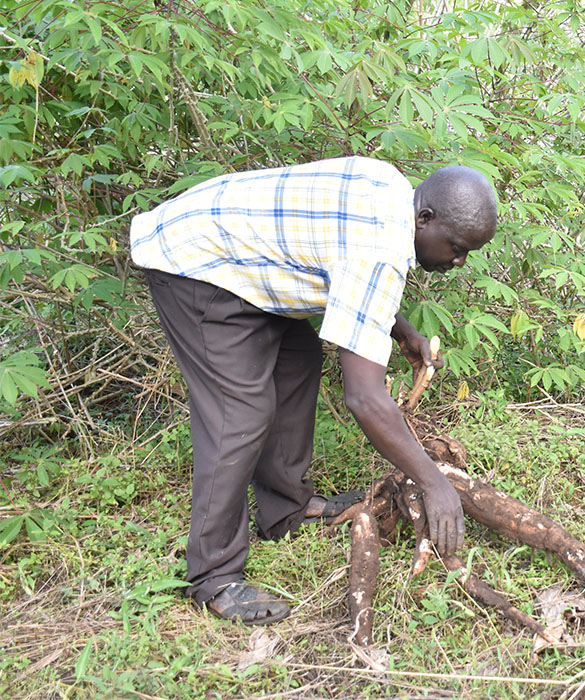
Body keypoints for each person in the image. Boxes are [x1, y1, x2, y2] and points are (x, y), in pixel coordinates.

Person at [130, 156, 497, 624]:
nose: (459, 261)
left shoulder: (394, 193)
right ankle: (214, 577)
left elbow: (344, 269)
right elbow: (364, 398)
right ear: (425, 219)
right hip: (194, 264)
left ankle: (287, 509)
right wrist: (432, 481)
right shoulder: (381, 247)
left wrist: (399, 328)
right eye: (458, 247)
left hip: (240, 263)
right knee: (238, 411)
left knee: (297, 357)